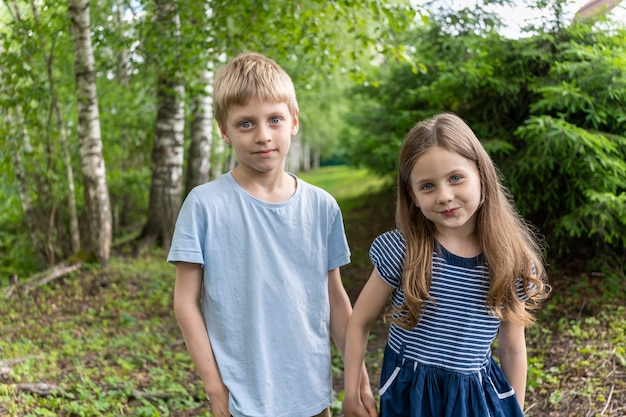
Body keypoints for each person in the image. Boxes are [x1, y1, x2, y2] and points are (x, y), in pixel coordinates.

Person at [167, 52, 375, 417]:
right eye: (246, 124)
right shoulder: (204, 205)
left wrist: (358, 381)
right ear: (224, 131)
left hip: (312, 396)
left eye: (274, 120)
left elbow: (335, 298)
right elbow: (185, 302)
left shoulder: (322, 206)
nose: (263, 136)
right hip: (242, 400)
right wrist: (216, 392)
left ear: (293, 122)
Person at [342, 112, 551, 417]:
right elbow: (359, 322)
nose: (444, 196)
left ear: (481, 174)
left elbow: (512, 347)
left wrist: (515, 409)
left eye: (456, 178)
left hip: (473, 397)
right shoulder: (404, 250)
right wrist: (352, 392)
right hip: (411, 395)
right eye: (427, 186)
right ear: (412, 195)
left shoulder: (511, 261)